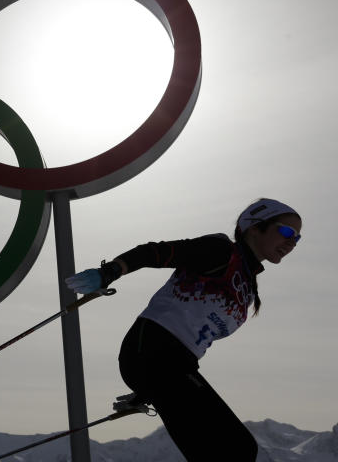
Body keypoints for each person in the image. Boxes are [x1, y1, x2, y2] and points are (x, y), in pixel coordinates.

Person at [65, 198, 302, 462]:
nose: (292, 242)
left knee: (233, 450)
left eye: (297, 238)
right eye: (286, 232)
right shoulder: (221, 251)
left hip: (173, 365)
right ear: (255, 227)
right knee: (238, 448)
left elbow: (195, 333)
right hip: (153, 351)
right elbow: (155, 252)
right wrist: (110, 271)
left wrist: (153, 388)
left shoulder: (247, 286)